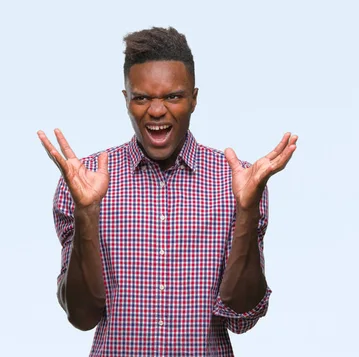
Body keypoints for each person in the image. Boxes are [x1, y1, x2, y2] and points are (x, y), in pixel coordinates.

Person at [37, 26, 297, 356]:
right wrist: (87, 213)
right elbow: (81, 315)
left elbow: (243, 317)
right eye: (142, 97)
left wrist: (246, 211)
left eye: (173, 96)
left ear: (194, 98)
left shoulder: (238, 181)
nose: (157, 110)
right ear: (126, 100)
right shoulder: (84, 181)